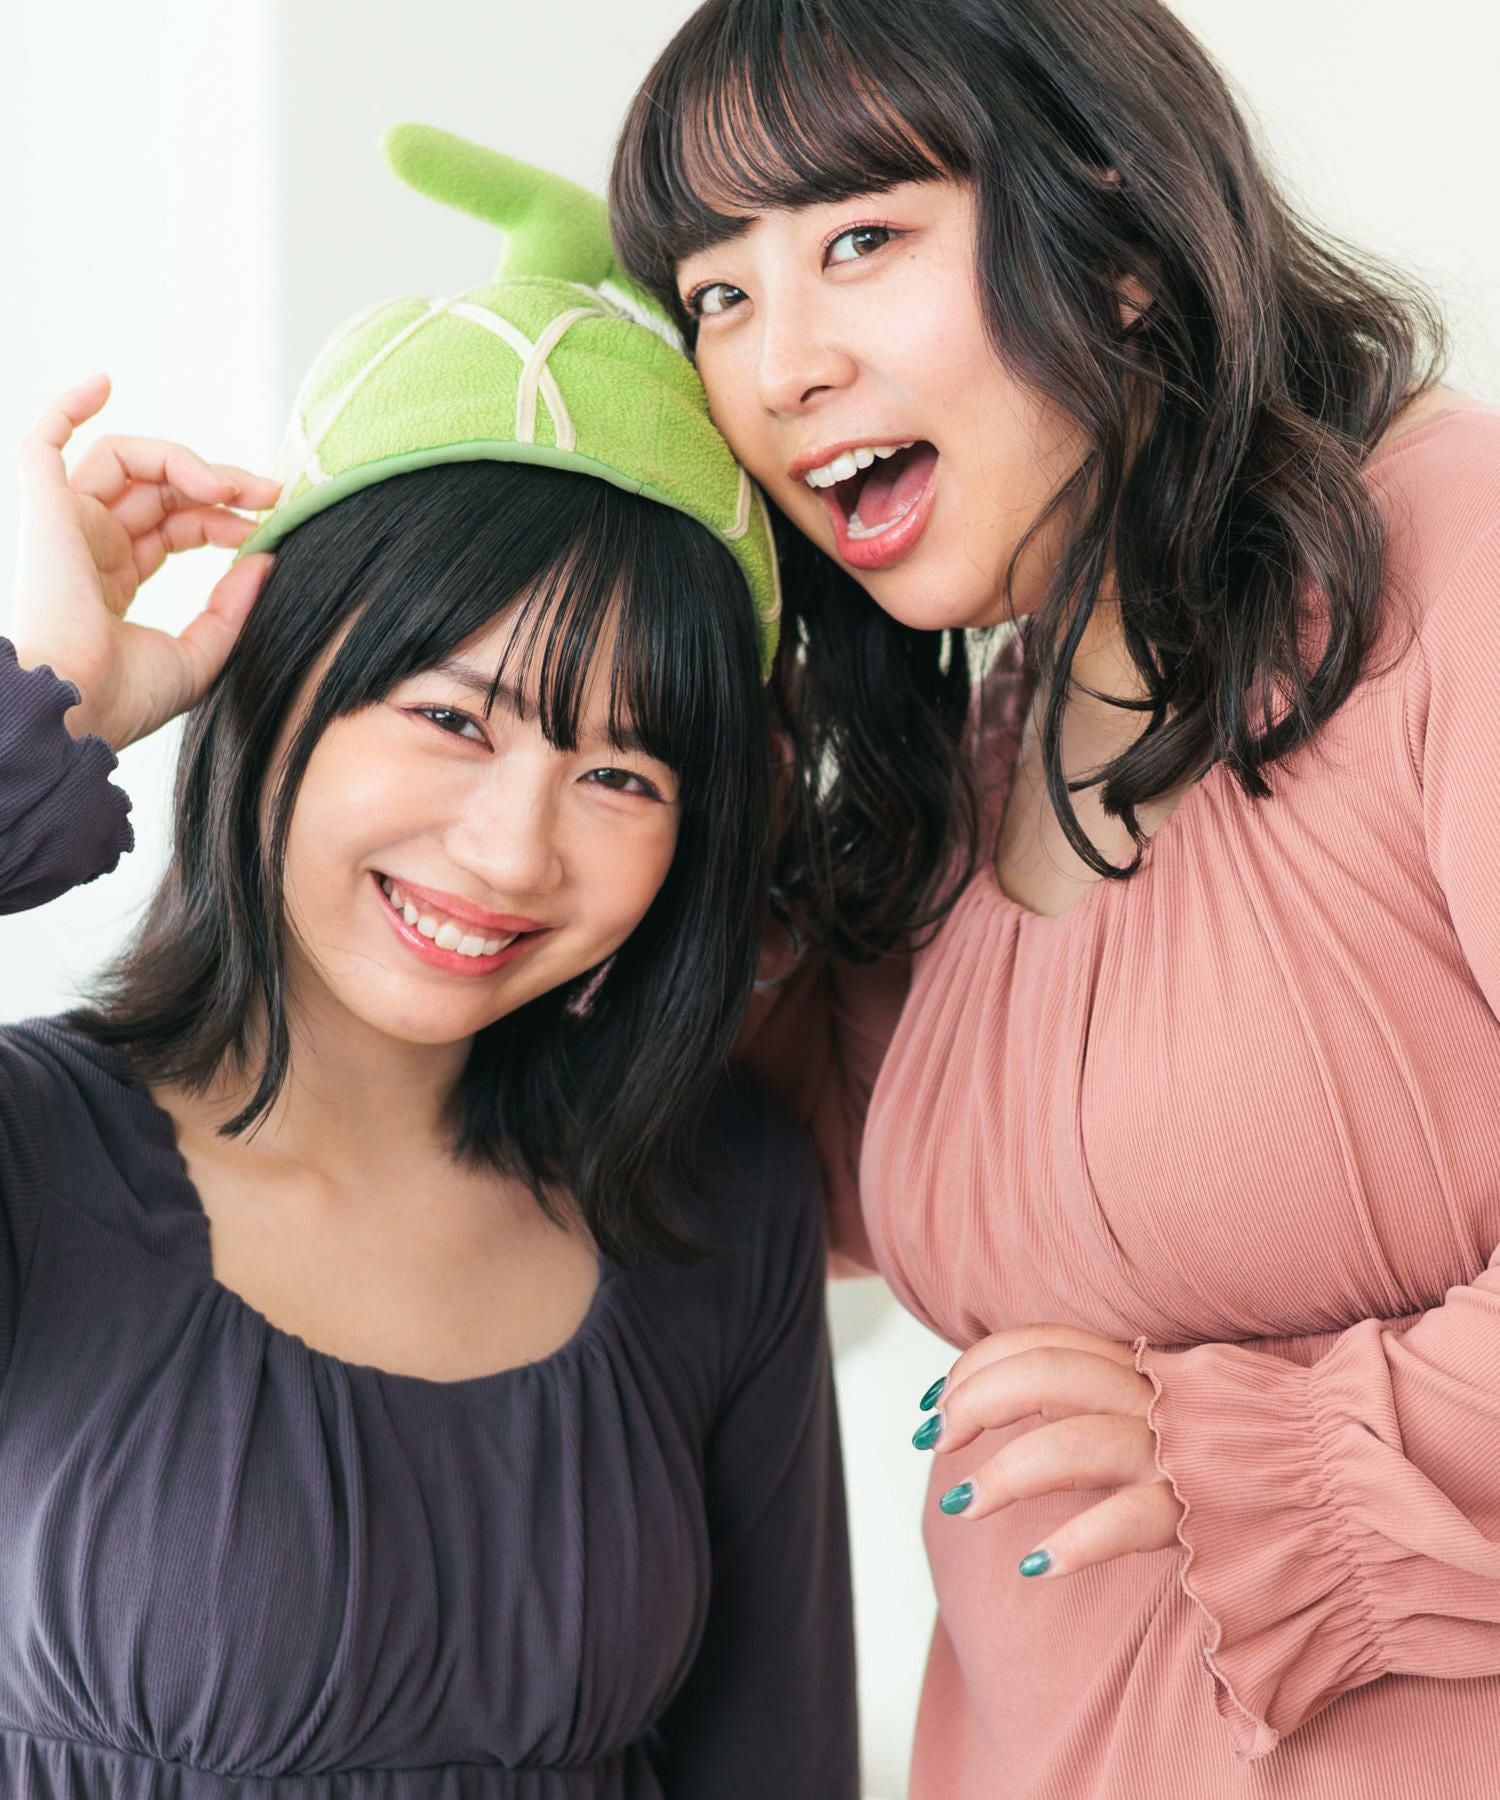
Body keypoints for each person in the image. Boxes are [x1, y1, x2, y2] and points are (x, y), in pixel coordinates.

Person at [609, 1, 1500, 1794]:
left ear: (1114, 238)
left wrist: (1285, 1463)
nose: (779, 369)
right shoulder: (995, 733)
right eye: (716, 295)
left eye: (860, 240)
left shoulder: (1453, 559)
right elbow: (735, 1178)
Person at [0, 125, 856, 1799]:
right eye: (454, 720)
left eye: (624, 774)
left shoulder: (716, 1197)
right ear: (274, 692)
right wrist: (43, 712)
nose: (516, 850)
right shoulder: (33, 1158)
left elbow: (780, 1762)